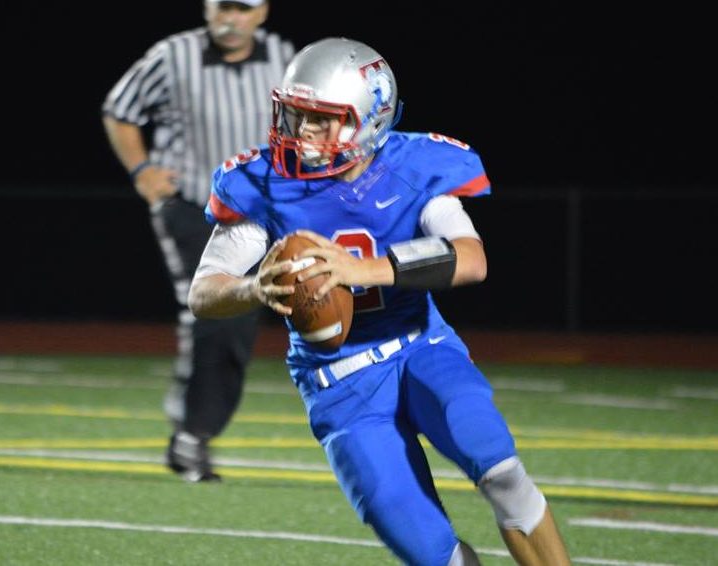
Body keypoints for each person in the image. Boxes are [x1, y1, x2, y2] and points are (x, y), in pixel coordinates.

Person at [188, 37, 572, 565]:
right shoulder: (263, 182)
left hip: (420, 348)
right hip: (337, 384)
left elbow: (471, 258)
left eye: (323, 119)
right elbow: (204, 292)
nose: (303, 131)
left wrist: (362, 270)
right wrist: (253, 288)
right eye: (297, 114)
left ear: (370, 119)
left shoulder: (417, 166)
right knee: (425, 546)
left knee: (498, 467)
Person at [101, 0, 294, 482]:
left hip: (257, 210)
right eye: (223, 7)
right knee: (209, 311)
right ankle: (192, 433)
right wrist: (143, 173)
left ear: (262, 12)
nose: (232, 18)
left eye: (243, 9)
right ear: (208, 9)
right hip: (191, 204)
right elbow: (119, 110)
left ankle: (195, 431)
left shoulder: (284, 57)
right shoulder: (173, 54)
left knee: (245, 316)